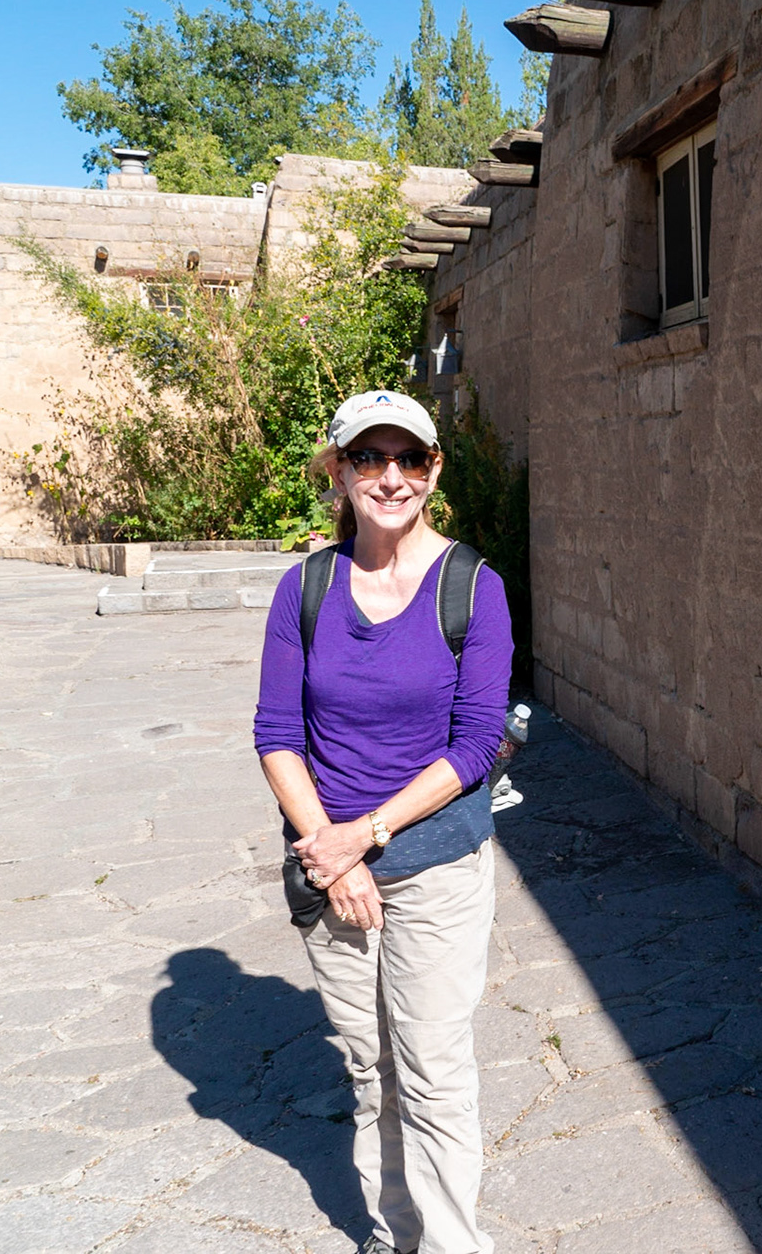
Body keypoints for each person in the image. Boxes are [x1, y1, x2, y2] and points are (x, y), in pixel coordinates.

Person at [253, 389, 512, 1254]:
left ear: (433, 470)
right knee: (373, 1072)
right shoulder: (306, 588)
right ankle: (396, 1236)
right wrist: (334, 854)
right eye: (369, 457)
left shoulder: (472, 588)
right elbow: (278, 734)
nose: (390, 476)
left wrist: (364, 836)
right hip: (333, 872)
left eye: (409, 458)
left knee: (432, 1075)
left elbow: (477, 745)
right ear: (338, 471)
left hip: (433, 865)